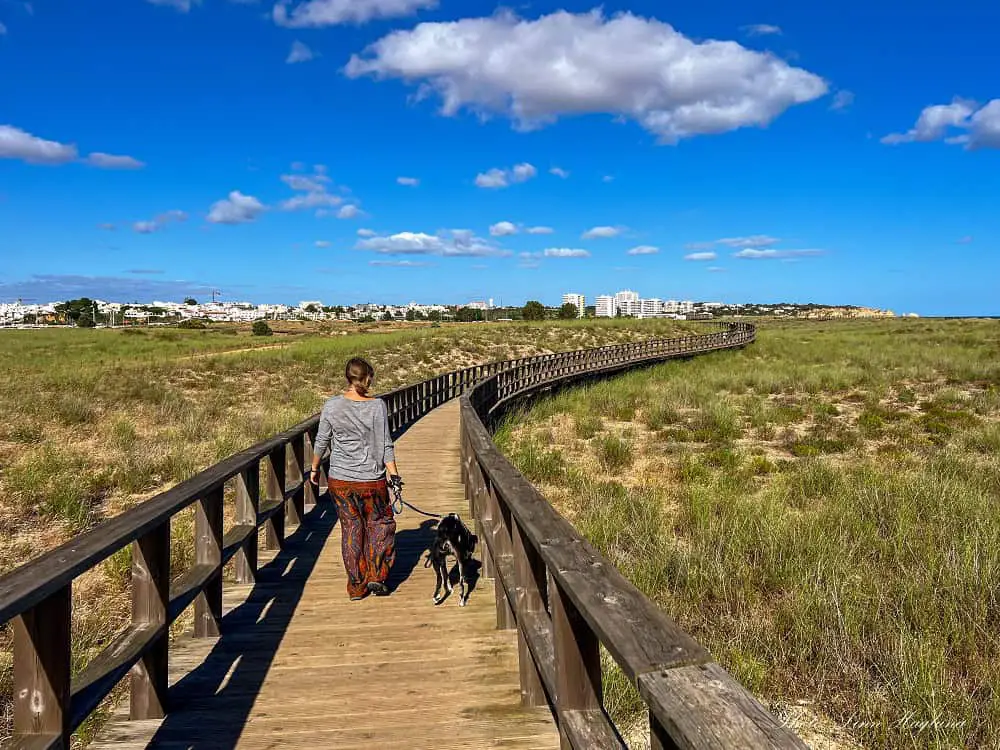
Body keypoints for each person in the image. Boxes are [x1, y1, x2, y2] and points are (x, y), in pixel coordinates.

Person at [309, 357, 400, 601]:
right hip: (371, 480)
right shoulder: (377, 406)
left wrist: (314, 468)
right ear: (367, 377)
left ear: (348, 377)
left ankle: (357, 586)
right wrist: (394, 475)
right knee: (379, 525)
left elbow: (322, 440)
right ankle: (376, 575)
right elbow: (385, 444)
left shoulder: (331, 406)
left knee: (351, 528)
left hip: (340, 480)